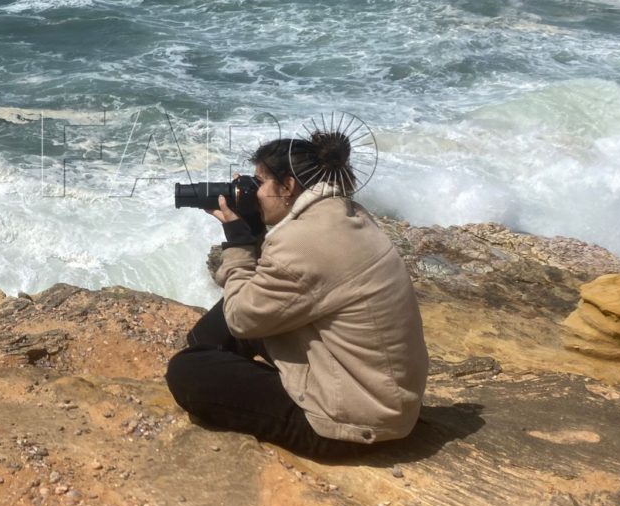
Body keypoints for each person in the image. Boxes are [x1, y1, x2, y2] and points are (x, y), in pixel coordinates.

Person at [165, 130, 429, 460]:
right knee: (228, 320)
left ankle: (219, 370)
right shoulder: (347, 213)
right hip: (385, 398)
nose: (253, 191)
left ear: (288, 186)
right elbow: (272, 288)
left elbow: (241, 319)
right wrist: (255, 230)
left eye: (260, 182)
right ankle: (220, 364)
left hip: (353, 424)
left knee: (187, 372)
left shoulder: (300, 241)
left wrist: (238, 241)